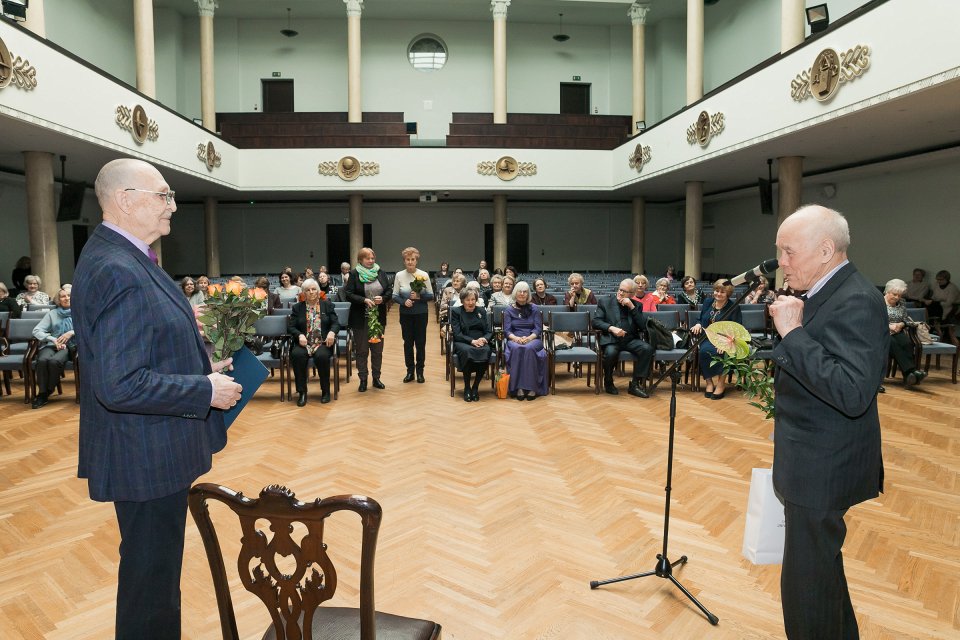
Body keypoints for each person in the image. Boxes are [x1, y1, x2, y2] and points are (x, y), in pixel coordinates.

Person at [72, 158, 241, 639]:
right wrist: (203, 389)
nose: (173, 207)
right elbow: (119, 383)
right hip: (144, 455)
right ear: (125, 200)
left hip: (148, 447)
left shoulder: (123, 257)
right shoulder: (117, 268)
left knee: (155, 577)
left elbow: (139, 349)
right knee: (151, 586)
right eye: (163, 195)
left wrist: (200, 367)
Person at [767, 205, 886, 640]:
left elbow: (853, 393)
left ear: (825, 250)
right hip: (814, 459)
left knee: (807, 588)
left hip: (824, 468)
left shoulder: (856, 299)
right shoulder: (827, 292)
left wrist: (793, 334)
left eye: (788, 252)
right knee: (822, 576)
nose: (781, 262)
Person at [593, 278, 653, 397]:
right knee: (610, 353)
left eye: (624, 291)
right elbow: (596, 322)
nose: (620, 293)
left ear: (631, 294)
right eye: (620, 290)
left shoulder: (636, 305)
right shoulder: (605, 302)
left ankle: (635, 384)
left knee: (647, 349)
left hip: (630, 340)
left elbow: (643, 326)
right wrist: (611, 328)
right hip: (612, 339)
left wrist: (632, 307)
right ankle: (608, 381)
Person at [344, 247, 391, 392]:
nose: (371, 261)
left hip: (378, 318)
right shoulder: (354, 274)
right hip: (360, 319)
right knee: (362, 351)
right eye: (367, 258)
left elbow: (389, 291)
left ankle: (376, 378)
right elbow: (348, 294)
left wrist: (382, 299)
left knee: (377, 350)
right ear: (360, 260)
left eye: (372, 258)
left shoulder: (380, 273)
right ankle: (363, 379)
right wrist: (364, 300)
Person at [288, 278, 339, 406]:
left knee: (322, 357)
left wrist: (332, 332)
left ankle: (325, 391)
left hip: (322, 342)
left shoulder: (327, 305)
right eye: (308, 290)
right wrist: (299, 335)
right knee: (297, 355)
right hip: (304, 343)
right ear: (303, 293)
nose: (311, 292)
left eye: (313, 289)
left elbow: (336, 323)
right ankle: (302, 392)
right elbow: (291, 327)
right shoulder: (297, 308)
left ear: (318, 291)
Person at [689, 279, 742, 400]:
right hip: (707, 336)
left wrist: (725, 343)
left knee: (723, 353)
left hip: (726, 338)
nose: (718, 294)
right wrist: (698, 324)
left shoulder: (733, 306)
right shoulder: (708, 302)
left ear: (727, 294)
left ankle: (721, 384)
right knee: (704, 351)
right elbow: (701, 318)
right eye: (717, 291)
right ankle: (709, 383)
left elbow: (736, 327)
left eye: (722, 292)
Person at [392, 246, 435, 383]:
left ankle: (420, 372)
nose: (410, 262)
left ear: (417, 261)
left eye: (413, 259)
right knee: (408, 343)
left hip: (421, 314)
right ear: (404, 261)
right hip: (406, 314)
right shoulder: (399, 275)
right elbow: (394, 296)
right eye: (407, 259)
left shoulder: (424, 275)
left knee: (420, 343)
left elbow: (431, 296)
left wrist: (419, 297)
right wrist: (404, 302)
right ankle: (410, 371)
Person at [29, 287, 77, 409]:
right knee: (42, 360)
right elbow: (37, 330)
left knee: (54, 362)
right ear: (58, 300)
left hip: (70, 346)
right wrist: (53, 339)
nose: (66, 298)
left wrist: (71, 332)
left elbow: (86, 328)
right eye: (63, 296)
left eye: (69, 295)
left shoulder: (79, 312)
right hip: (52, 344)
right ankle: (42, 394)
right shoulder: (52, 314)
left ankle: (48, 389)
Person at [502, 281, 548, 400]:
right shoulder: (508, 310)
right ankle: (519, 388)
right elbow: (507, 331)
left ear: (528, 295)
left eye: (525, 292)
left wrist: (529, 338)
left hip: (533, 339)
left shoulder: (534, 308)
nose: (522, 294)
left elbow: (538, 329)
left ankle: (532, 387)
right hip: (514, 339)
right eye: (520, 291)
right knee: (517, 349)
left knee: (529, 349)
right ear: (515, 293)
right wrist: (517, 339)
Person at [450, 288, 493, 402]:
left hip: (481, 340)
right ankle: (467, 387)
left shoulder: (481, 311)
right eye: (468, 300)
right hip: (463, 341)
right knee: (468, 351)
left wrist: (484, 339)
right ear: (462, 301)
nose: (471, 302)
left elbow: (489, 331)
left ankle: (475, 387)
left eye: (473, 299)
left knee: (486, 350)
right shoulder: (456, 312)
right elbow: (457, 333)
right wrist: (472, 341)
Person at [883, 278, 927, 387]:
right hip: (882, 332)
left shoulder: (901, 302)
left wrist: (901, 325)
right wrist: (888, 326)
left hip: (898, 330)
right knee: (892, 343)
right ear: (887, 291)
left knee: (907, 343)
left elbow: (906, 318)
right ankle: (911, 373)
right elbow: (873, 319)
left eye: (900, 295)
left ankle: (909, 376)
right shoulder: (879, 301)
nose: (897, 297)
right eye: (894, 294)